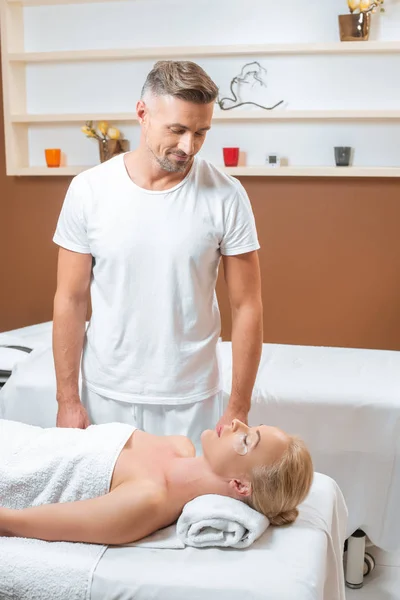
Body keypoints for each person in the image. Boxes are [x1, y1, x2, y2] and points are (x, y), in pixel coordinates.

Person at [52, 60, 263, 448]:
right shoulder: (88, 191)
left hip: (192, 397)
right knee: (109, 507)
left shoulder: (227, 195)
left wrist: (238, 407)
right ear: (142, 114)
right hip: (105, 393)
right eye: (178, 130)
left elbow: (247, 305)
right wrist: (67, 399)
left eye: (201, 133)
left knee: (186, 508)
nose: (189, 146)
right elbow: (70, 298)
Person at [0, 418, 313, 545]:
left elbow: (15, 522)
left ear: (240, 486)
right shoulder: (178, 445)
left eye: (247, 440)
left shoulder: (146, 501)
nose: (236, 423)